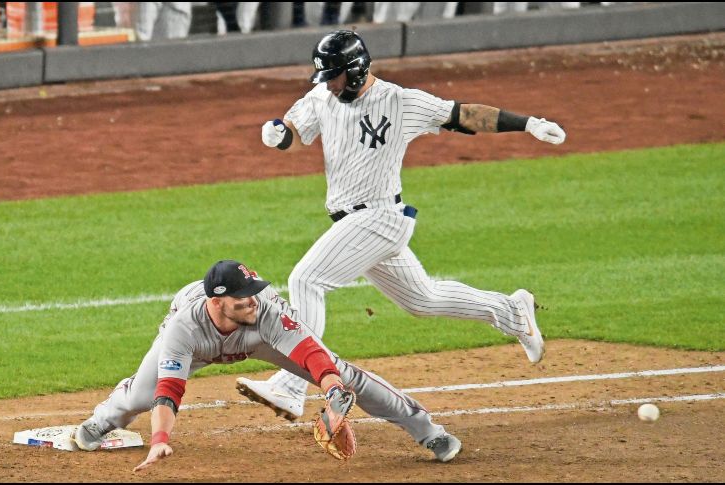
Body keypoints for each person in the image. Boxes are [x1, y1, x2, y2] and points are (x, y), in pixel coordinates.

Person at [238, 30, 565, 421]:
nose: (328, 82)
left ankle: (292, 386)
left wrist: (528, 124)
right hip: (355, 222)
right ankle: (511, 310)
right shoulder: (321, 97)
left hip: (379, 216)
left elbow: (463, 115)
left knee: (307, 280)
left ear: (356, 70)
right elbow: (293, 131)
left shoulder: (399, 101)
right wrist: (276, 133)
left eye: (334, 75)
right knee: (423, 300)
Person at [73, 260, 463, 468]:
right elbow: (169, 391)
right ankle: (103, 420)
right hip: (199, 346)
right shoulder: (183, 327)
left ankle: (429, 431)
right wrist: (160, 442)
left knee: (345, 375)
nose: (252, 302)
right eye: (242, 298)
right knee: (143, 394)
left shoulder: (267, 313)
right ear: (216, 302)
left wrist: (331, 389)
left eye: (253, 294)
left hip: (258, 341)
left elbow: (313, 353)